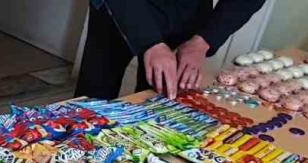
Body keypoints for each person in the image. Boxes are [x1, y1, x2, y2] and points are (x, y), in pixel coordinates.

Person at [75, 0, 266, 100]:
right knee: (93, 95)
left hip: (186, 12)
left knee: (159, 101)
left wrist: (204, 40)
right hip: (121, 8)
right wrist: (149, 41)